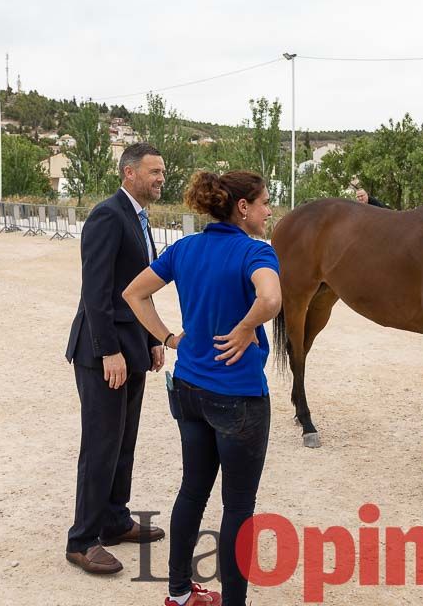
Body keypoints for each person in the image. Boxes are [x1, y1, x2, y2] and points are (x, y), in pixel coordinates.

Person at [123, 170, 280, 606]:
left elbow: (134, 294)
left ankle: (177, 593)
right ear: (243, 207)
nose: (270, 211)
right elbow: (270, 299)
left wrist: (170, 339)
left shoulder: (185, 248)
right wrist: (248, 327)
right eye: (265, 202)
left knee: (192, 489)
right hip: (239, 397)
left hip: (189, 389)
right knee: (238, 508)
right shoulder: (254, 252)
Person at [64, 142, 168, 575]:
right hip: (102, 351)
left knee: (124, 441)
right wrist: (109, 350)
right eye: (154, 171)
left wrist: (152, 339)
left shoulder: (141, 219)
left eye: (163, 172)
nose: (161, 178)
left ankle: (114, 520)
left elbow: (139, 289)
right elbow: (97, 290)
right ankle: (83, 540)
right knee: (102, 443)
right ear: (129, 173)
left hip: (132, 348)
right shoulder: (109, 215)